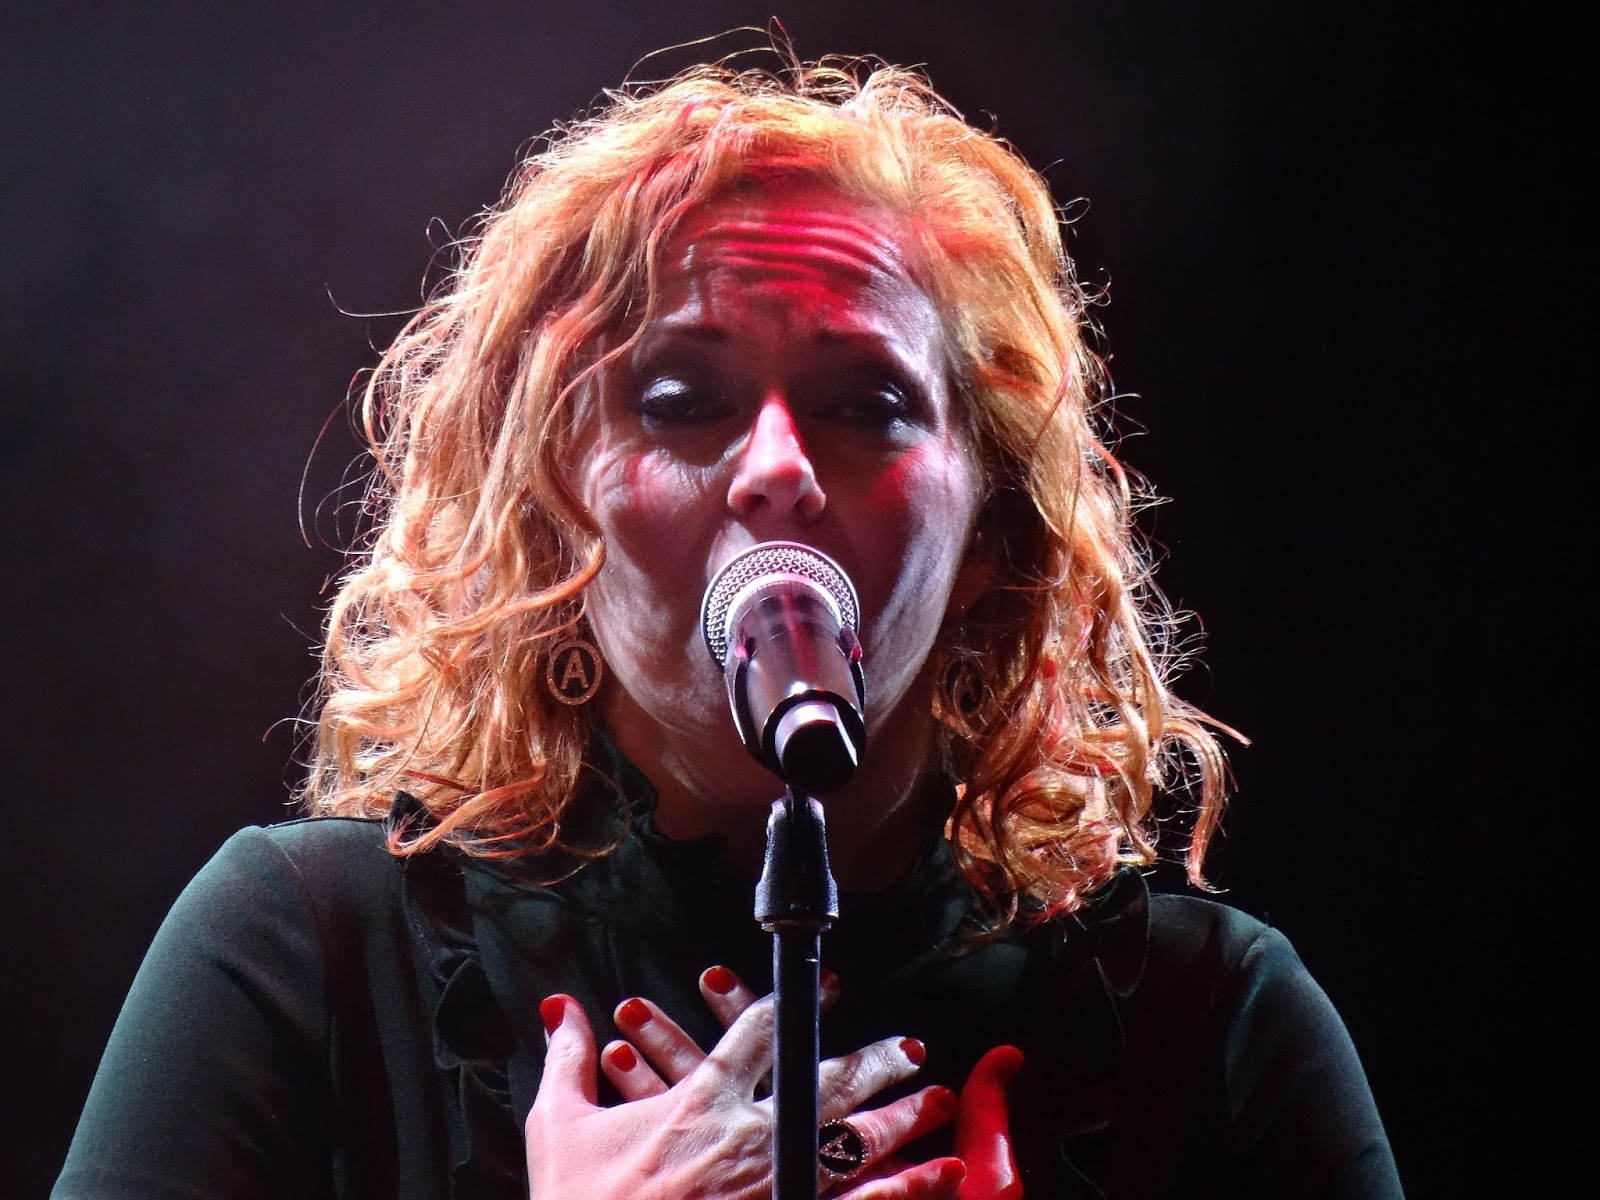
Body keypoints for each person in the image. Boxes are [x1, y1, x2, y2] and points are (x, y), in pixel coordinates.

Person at [53, 58, 1403, 1199]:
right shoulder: (310, 956)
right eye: (682, 399)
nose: (777, 470)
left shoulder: (1208, 1025)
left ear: (991, 537)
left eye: (867, 404)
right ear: (554, 518)